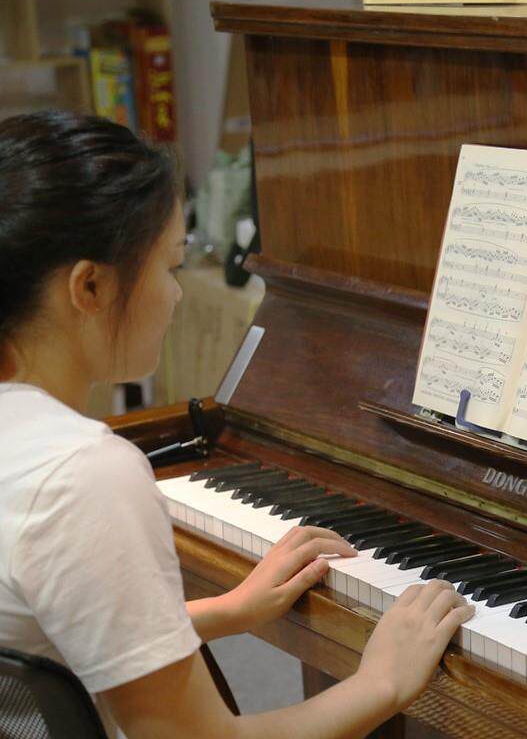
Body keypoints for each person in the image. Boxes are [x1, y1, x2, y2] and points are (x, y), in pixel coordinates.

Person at [0, 111, 475, 739]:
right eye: (169, 268)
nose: (177, 295)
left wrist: (228, 611)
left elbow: (55, 622)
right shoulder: (83, 475)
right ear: (88, 285)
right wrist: (381, 683)